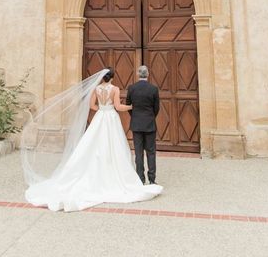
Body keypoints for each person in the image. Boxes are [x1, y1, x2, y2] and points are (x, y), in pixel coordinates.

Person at [23, 67, 163, 212]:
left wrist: (102, 110)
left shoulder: (96, 89)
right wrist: (131, 106)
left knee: (95, 144)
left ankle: (137, 177)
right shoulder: (115, 89)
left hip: (101, 116)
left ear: (102, 77)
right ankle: (147, 178)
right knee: (117, 146)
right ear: (112, 77)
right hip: (112, 118)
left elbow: (91, 106)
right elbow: (118, 106)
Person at [126, 65, 160, 185]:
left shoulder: (132, 88)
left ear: (137, 74)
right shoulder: (153, 89)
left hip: (136, 124)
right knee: (151, 152)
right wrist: (150, 116)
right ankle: (152, 179)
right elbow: (157, 108)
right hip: (150, 124)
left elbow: (129, 105)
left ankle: (140, 178)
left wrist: (135, 116)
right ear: (148, 74)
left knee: (138, 152)